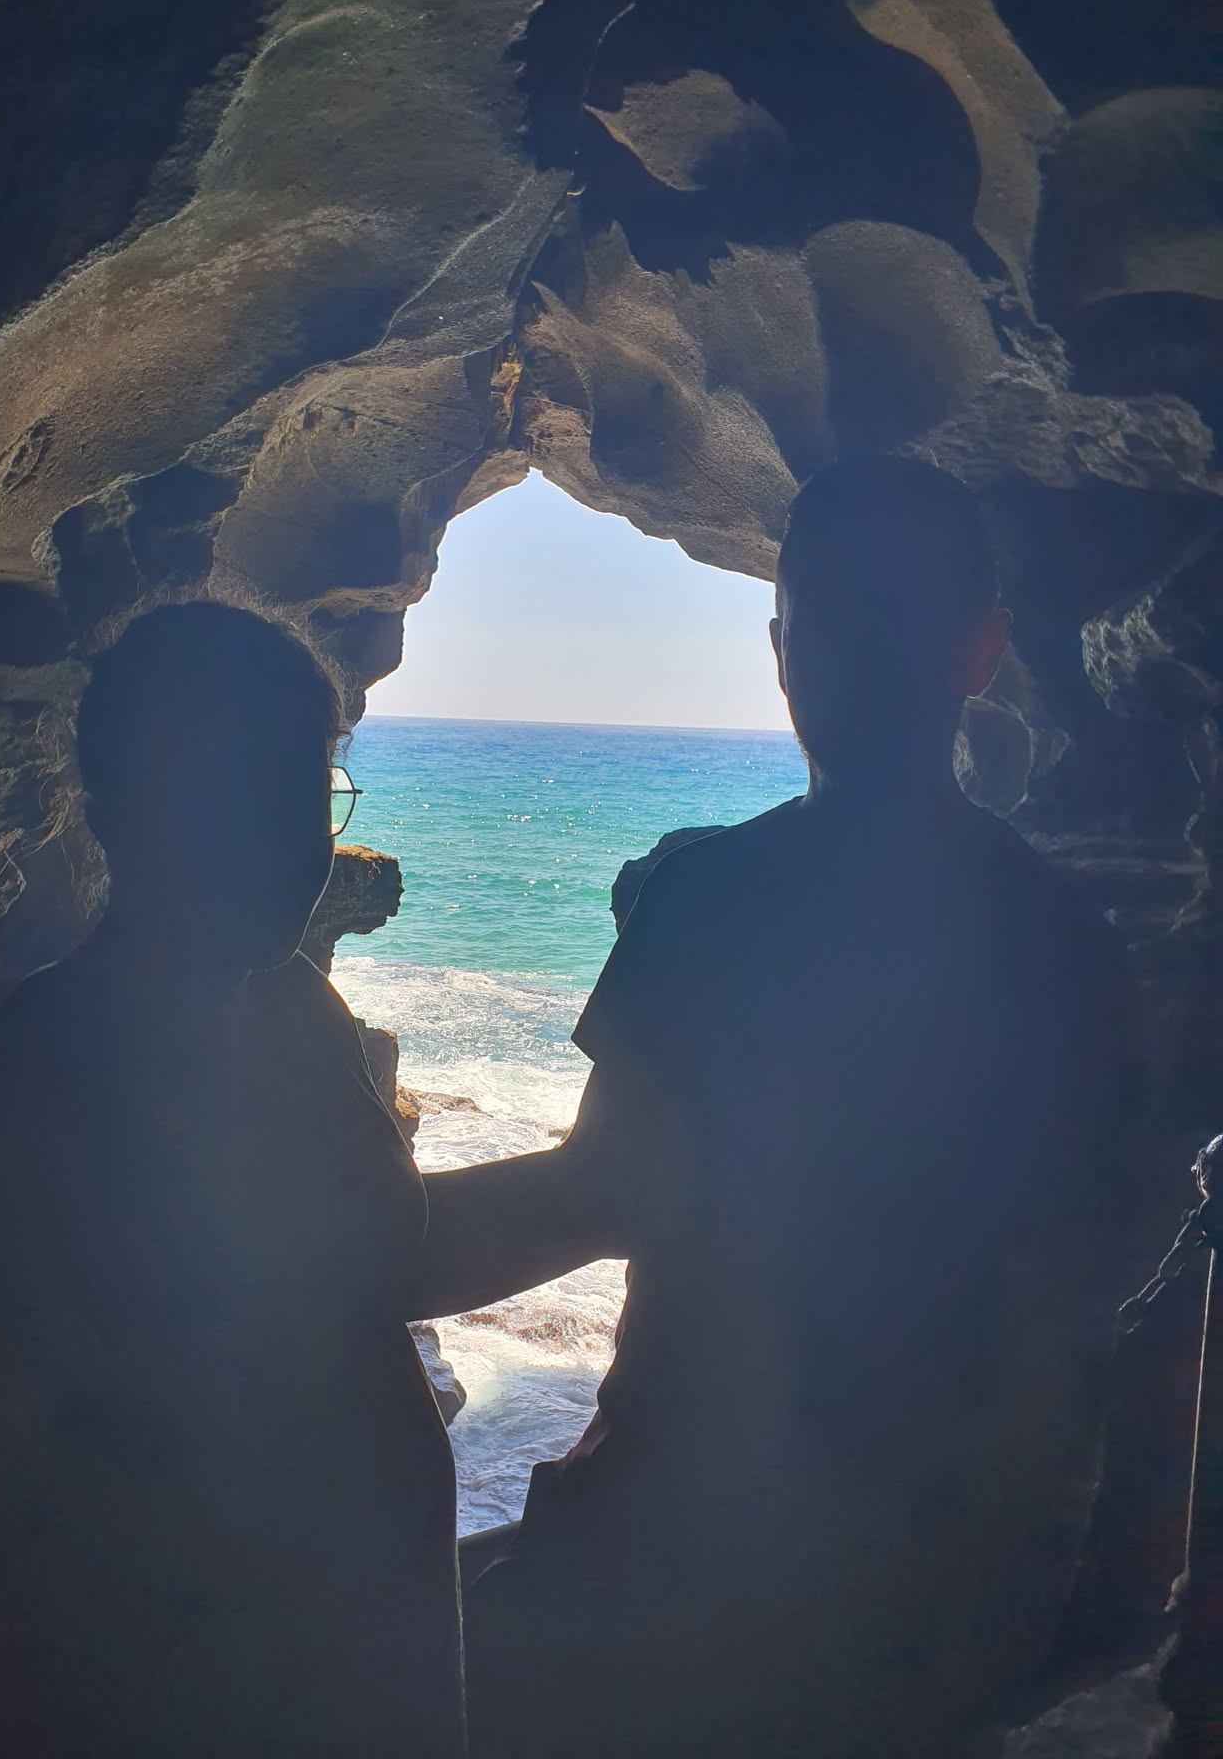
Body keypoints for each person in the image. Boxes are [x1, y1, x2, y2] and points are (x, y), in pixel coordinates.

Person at [410, 457, 1135, 1759]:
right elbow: (1071, 1312)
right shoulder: (1070, 941)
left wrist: (332, 1252)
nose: (842, 660)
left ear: (781, 654)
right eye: (834, 626)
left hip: (678, 1554)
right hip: (915, 1577)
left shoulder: (715, 901)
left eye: (867, 624)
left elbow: (592, 1196)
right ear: (980, 652)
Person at [0, 599, 465, 1759]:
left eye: (305, 791)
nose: (285, 841)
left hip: (356, 1667)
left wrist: (613, 1194)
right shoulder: (43, 1079)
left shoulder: (294, 1009)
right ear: (117, 810)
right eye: (232, 795)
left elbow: (364, 1273)